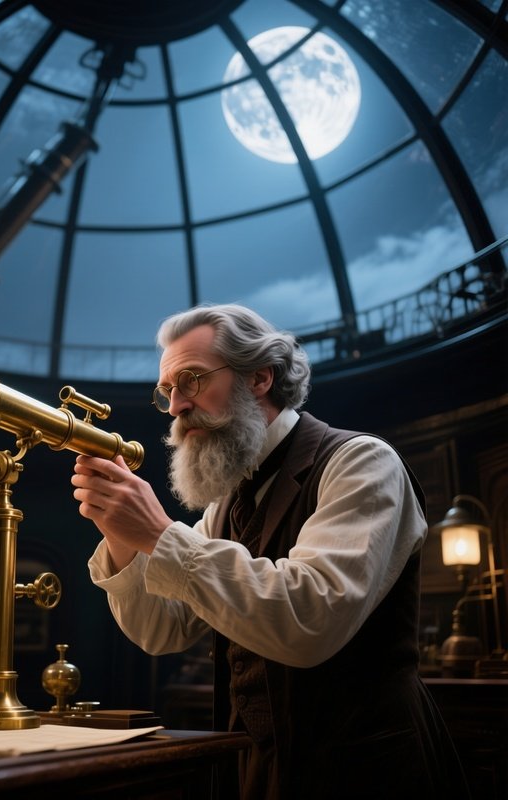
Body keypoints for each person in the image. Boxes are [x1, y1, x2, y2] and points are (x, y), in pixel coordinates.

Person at [71, 303, 469, 800]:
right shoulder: (226, 503)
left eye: (191, 380)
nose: (175, 407)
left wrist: (157, 533)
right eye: (168, 391)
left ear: (259, 377)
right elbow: (162, 629)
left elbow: (311, 619)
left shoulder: (363, 462)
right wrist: (119, 532)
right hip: (258, 768)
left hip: (366, 770)